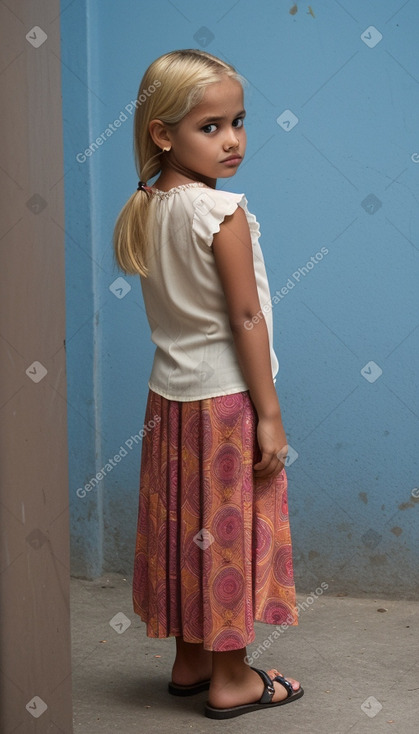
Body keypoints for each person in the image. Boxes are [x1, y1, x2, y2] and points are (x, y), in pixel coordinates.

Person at [113, 48, 303, 720]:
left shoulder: (151, 202)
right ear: (163, 133)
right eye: (210, 126)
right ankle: (232, 678)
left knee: (187, 523)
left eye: (238, 123)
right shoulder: (219, 213)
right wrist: (270, 414)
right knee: (229, 532)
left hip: (169, 400)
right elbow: (246, 316)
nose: (231, 141)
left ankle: (190, 660)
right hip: (226, 403)